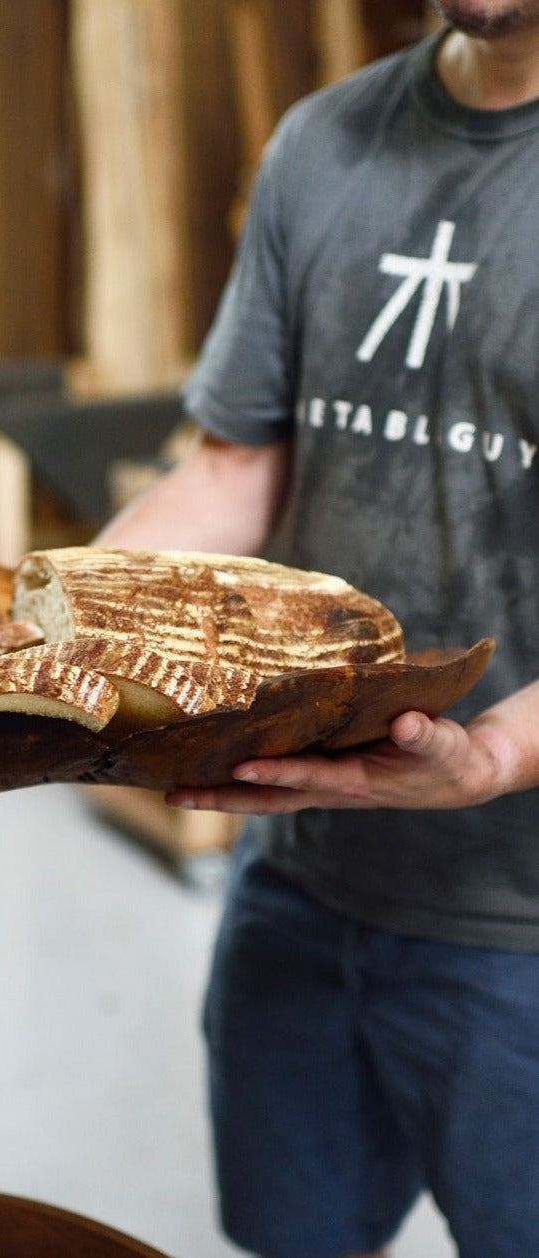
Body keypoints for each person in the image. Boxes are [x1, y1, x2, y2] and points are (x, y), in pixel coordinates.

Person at [94, 4, 539, 1256]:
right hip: (299, 872)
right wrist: (36, 635)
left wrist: (496, 756)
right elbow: (238, 469)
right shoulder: (325, 142)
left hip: (522, 924)